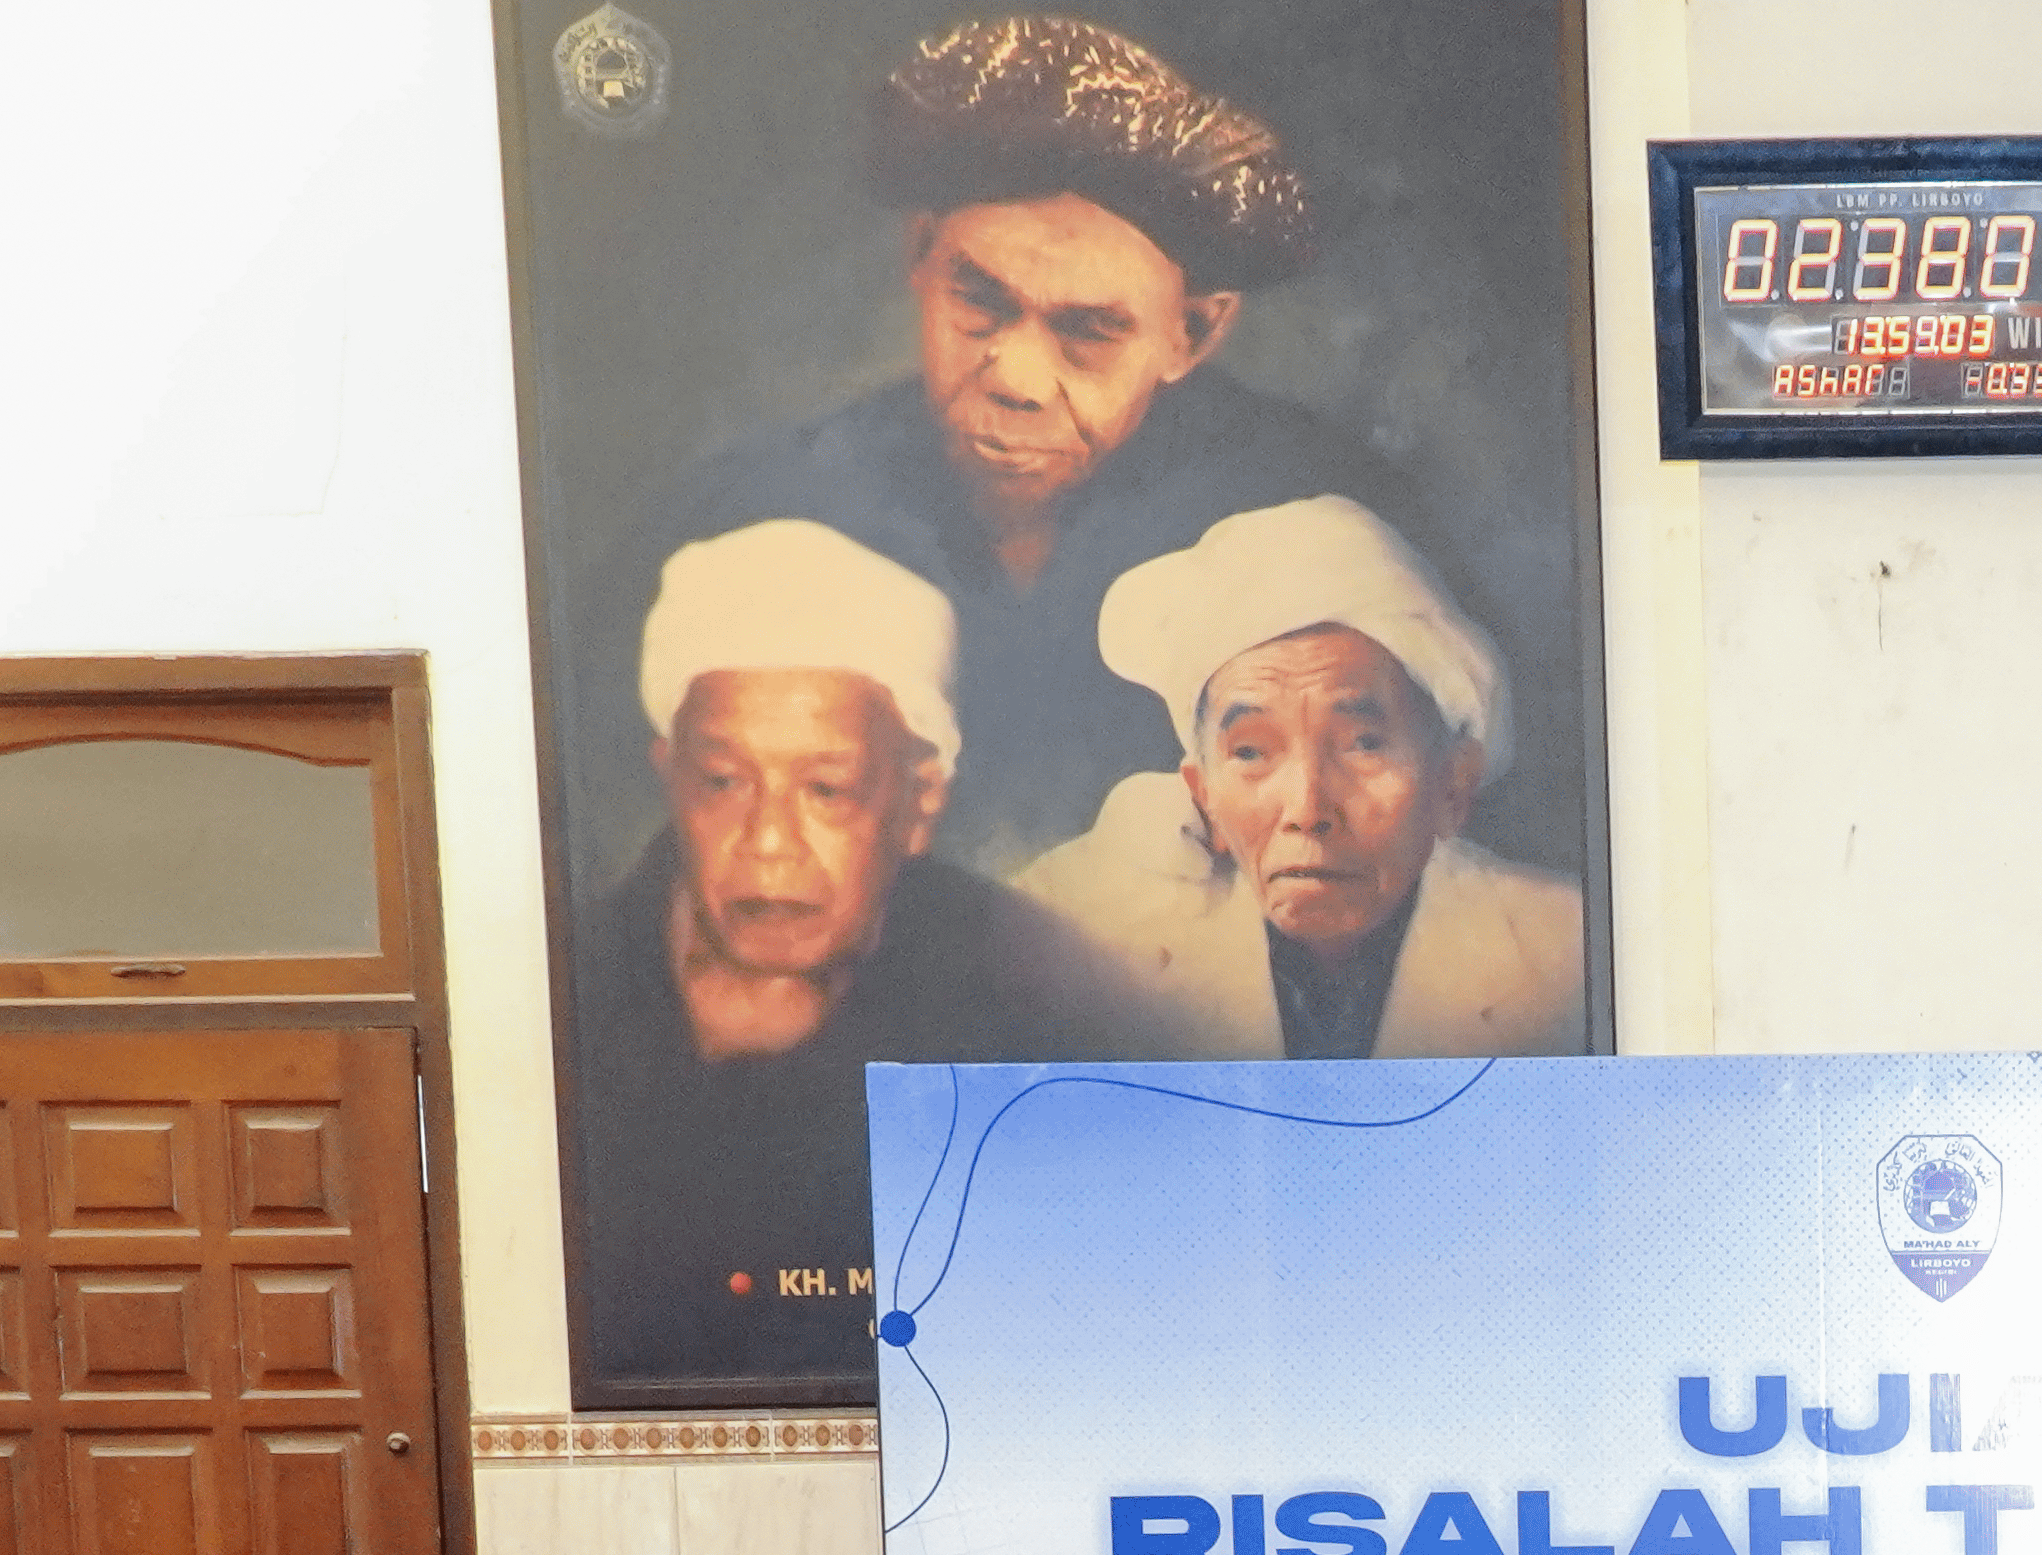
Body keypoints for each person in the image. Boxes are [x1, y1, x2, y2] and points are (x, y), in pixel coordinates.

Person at [651, 16, 1447, 883]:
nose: (1019, 379)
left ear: (1193, 332)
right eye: (981, 303)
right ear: (920, 253)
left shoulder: (1328, 522)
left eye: (1089, 331)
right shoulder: (762, 507)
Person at [566, 516, 1158, 1393]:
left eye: (827, 790)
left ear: (921, 803)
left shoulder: (1039, 999)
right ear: (668, 774)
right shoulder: (572, 988)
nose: (768, 847)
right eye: (722, 781)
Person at [1018, 495, 1591, 1059]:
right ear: (1204, 796)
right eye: (1250, 752)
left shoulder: (1572, 960)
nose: (1307, 808)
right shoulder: (1076, 947)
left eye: (1364, 744)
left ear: (1453, 785)